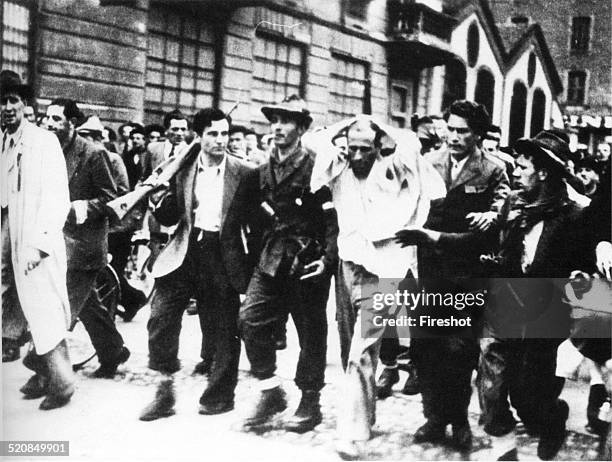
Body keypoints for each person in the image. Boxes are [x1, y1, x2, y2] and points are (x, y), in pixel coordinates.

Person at [305, 114, 445, 458]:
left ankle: (351, 435)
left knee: (362, 351)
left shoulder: (394, 166)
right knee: (349, 352)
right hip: (349, 266)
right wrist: (348, 126)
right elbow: (311, 141)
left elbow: (420, 162)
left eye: (364, 149)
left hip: (385, 270)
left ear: (378, 146)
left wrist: (380, 131)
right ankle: (363, 419)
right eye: (352, 148)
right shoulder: (339, 168)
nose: (357, 156)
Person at [393, 100, 509, 451]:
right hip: (429, 271)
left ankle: (458, 420)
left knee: (458, 350)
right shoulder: (428, 163)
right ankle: (433, 417)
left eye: (463, 131)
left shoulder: (493, 170)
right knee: (426, 346)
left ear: (478, 134)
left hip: (466, 273)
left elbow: (497, 218)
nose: (455, 137)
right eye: (451, 129)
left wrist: (488, 218)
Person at [139, 107, 260, 420]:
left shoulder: (245, 172)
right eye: (213, 134)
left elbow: (256, 223)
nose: (221, 141)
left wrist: (251, 269)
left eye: (225, 134)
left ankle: (219, 395)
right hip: (185, 251)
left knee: (222, 330)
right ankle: (164, 391)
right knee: (161, 319)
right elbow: (169, 215)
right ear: (200, 136)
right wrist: (155, 195)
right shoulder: (183, 166)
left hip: (223, 255)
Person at [478, 130, 587, 460]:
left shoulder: (574, 215)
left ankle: (553, 419)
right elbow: (501, 249)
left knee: (530, 400)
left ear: (543, 172)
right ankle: (504, 448)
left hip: (544, 319)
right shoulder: (514, 202)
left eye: (523, 167)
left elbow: (586, 278)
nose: (515, 171)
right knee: (491, 386)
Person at [238, 95, 338, 433]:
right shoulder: (263, 168)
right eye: (274, 120)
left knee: (310, 332)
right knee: (250, 320)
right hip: (271, 259)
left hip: (306, 261)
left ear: (302, 128)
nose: (278, 127)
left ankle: (310, 399)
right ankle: (270, 390)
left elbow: (331, 219)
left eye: (287, 121)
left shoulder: (316, 166)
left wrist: (328, 259)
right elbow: (254, 214)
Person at [1, 70, 75, 409]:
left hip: (38, 243)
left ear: (25, 103)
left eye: (12, 100)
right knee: (29, 311)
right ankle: (43, 374)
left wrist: (38, 243)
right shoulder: (5, 142)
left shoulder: (43, 142)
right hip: (13, 238)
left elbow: (57, 198)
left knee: (45, 310)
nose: (6, 108)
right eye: (0, 102)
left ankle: (62, 384)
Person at [45, 98, 130, 378]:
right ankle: (113, 351)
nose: (49, 124)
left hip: (84, 247)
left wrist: (76, 208)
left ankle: (44, 372)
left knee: (60, 309)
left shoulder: (92, 154)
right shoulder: (46, 152)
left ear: (73, 123)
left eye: (57, 119)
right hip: (56, 242)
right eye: (48, 118)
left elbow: (111, 197)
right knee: (88, 306)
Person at [140, 110, 189, 271]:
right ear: (166, 130)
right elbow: (145, 175)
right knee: (155, 245)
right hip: (155, 207)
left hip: (178, 209)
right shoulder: (153, 149)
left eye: (183, 129)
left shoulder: (190, 151)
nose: (180, 133)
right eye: (175, 129)